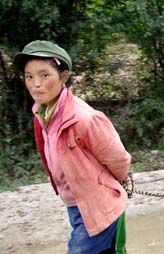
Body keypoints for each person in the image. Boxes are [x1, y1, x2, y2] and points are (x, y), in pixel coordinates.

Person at [13, 40, 132, 254]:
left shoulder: (82, 118)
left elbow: (117, 158)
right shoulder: (42, 113)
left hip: (98, 205)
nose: (36, 84)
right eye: (29, 77)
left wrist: (120, 179)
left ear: (64, 77)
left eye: (44, 75)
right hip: (75, 203)